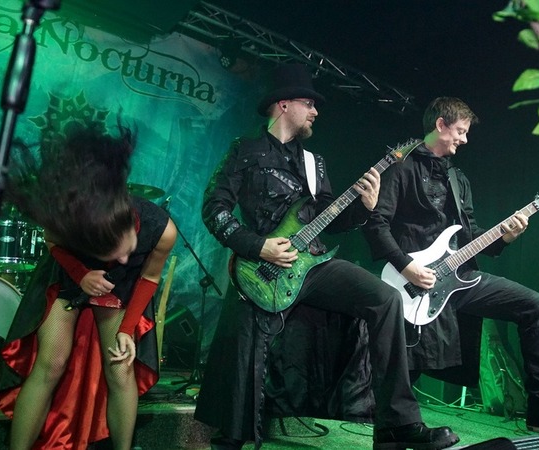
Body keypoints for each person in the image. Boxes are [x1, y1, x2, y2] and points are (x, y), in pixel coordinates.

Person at [194, 64, 460, 450]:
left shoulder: (313, 162)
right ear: (283, 105)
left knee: (386, 299)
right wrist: (257, 246)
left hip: (313, 264)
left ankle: (397, 425)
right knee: (249, 319)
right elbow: (214, 210)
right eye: (309, 103)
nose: (316, 111)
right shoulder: (244, 150)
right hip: (262, 266)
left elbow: (328, 220)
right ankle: (232, 436)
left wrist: (364, 206)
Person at [362, 97, 539, 443]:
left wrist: (504, 236)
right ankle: (393, 427)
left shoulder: (457, 179)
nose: (464, 140)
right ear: (440, 125)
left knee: (536, 306)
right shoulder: (401, 168)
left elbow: (469, 236)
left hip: (459, 278)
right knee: (410, 359)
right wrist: (407, 267)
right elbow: (376, 224)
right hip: (414, 279)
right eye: (460, 131)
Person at [0, 121, 177, 450]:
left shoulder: (161, 229)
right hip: (69, 275)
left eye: (127, 249)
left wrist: (127, 329)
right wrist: (80, 273)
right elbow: (52, 241)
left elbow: (148, 277)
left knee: (120, 369)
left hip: (122, 288)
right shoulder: (71, 225)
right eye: (113, 255)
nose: (125, 259)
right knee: (51, 363)